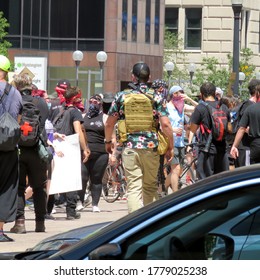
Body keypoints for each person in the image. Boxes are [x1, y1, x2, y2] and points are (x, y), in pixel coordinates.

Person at [104, 62, 174, 213]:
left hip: (129, 147)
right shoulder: (156, 96)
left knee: (134, 188)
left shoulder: (122, 96)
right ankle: (150, 224)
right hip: (151, 148)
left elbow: (109, 123)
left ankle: (134, 225)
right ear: (149, 77)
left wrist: (108, 142)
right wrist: (170, 146)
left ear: (132, 77)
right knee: (150, 187)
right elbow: (166, 125)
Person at [10, 73, 49, 233]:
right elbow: (44, 122)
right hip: (37, 150)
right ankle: (40, 223)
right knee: (39, 187)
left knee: (19, 187)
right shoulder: (41, 102)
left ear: (17, 86)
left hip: (17, 149)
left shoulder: (14, 100)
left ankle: (20, 223)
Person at [53, 86, 90, 219]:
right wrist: (85, 148)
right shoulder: (75, 112)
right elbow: (78, 131)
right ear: (75, 98)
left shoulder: (59, 110)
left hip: (57, 146)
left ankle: (48, 208)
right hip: (70, 146)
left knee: (55, 177)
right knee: (72, 179)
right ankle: (71, 211)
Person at [80, 93, 116, 212]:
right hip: (85, 152)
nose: (93, 104)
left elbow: (113, 138)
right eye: (91, 102)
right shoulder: (83, 116)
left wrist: (112, 154)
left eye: (96, 102)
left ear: (100, 104)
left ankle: (95, 204)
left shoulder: (105, 118)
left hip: (101, 152)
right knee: (83, 177)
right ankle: (79, 202)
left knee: (96, 179)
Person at [0, 55, 23, 242]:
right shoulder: (15, 93)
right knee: (7, 186)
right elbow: (18, 119)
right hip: (8, 146)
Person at [189, 82, 232, 180]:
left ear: (202, 94)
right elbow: (230, 128)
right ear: (214, 93)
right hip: (222, 150)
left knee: (206, 182)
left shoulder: (200, 108)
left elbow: (193, 129)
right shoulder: (223, 107)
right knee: (222, 181)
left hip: (206, 150)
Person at [165, 85, 198, 192]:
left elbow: (199, 108)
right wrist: (173, 130)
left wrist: (188, 99)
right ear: (172, 94)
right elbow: (162, 126)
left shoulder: (182, 107)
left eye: (181, 93)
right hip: (171, 142)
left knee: (179, 170)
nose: (179, 95)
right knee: (176, 169)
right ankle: (175, 195)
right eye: (177, 93)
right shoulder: (166, 107)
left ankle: (162, 187)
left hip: (180, 143)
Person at [231, 79, 260, 167]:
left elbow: (242, 128)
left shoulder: (249, 107)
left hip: (254, 145)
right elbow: (244, 128)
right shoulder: (249, 105)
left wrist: (234, 146)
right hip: (247, 146)